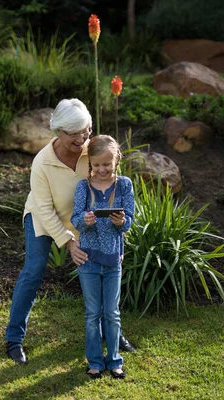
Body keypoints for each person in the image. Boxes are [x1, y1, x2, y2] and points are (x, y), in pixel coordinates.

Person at [5, 99, 135, 366]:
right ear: (58, 132)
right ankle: (14, 340)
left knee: (101, 270)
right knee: (34, 270)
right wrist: (68, 242)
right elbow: (43, 209)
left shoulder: (92, 150)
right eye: (74, 133)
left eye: (85, 131)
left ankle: (113, 334)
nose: (82, 138)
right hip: (44, 218)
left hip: (84, 220)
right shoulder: (42, 163)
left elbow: (111, 175)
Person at [70, 134, 135, 379]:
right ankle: (95, 361)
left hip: (112, 260)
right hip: (88, 259)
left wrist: (121, 221)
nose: (101, 169)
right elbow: (75, 219)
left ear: (116, 160)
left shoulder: (125, 185)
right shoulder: (83, 187)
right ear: (90, 165)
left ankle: (115, 361)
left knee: (111, 312)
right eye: (96, 165)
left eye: (106, 164)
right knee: (92, 313)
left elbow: (128, 222)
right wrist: (85, 222)